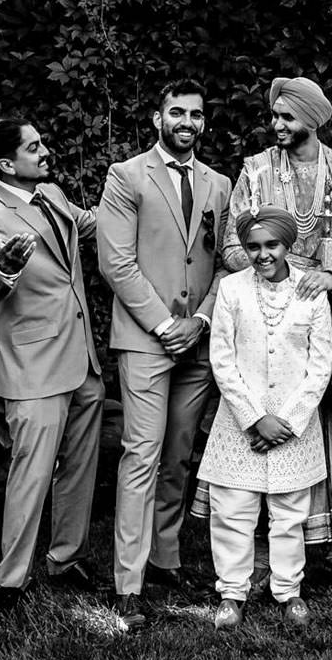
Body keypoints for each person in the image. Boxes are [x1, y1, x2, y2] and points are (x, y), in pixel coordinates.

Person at [221, 75, 332, 592]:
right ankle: (257, 561)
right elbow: (231, 247)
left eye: (287, 118)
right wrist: (279, 277)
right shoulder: (252, 171)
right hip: (267, 328)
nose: (277, 126)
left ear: (313, 121)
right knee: (265, 424)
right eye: (273, 116)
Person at [97, 80, 233, 630]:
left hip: (195, 341)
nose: (186, 122)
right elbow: (116, 263)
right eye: (176, 112)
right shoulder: (126, 176)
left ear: (203, 123)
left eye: (196, 115)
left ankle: (166, 556)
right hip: (146, 339)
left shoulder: (219, 184)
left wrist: (199, 321)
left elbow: (228, 261)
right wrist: (162, 324)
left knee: (179, 455)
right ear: (158, 119)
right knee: (141, 456)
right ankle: (128, 582)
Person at [0, 118, 102, 617]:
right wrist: (3, 267)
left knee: (80, 469)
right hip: (33, 363)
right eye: (34, 146)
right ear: (7, 164)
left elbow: (96, 224)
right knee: (32, 472)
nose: (46, 151)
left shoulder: (52, 193)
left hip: (82, 357)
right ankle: (10, 580)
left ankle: (67, 558)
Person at [199, 208, 332, 631]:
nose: (262, 255)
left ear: (287, 245)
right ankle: (231, 593)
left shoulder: (309, 291)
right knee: (233, 511)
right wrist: (255, 418)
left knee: (289, 513)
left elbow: (321, 365)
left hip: (294, 423)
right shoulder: (231, 289)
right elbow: (221, 360)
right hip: (240, 421)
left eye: (271, 245)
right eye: (253, 246)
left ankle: (288, 590)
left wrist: (288, 421)